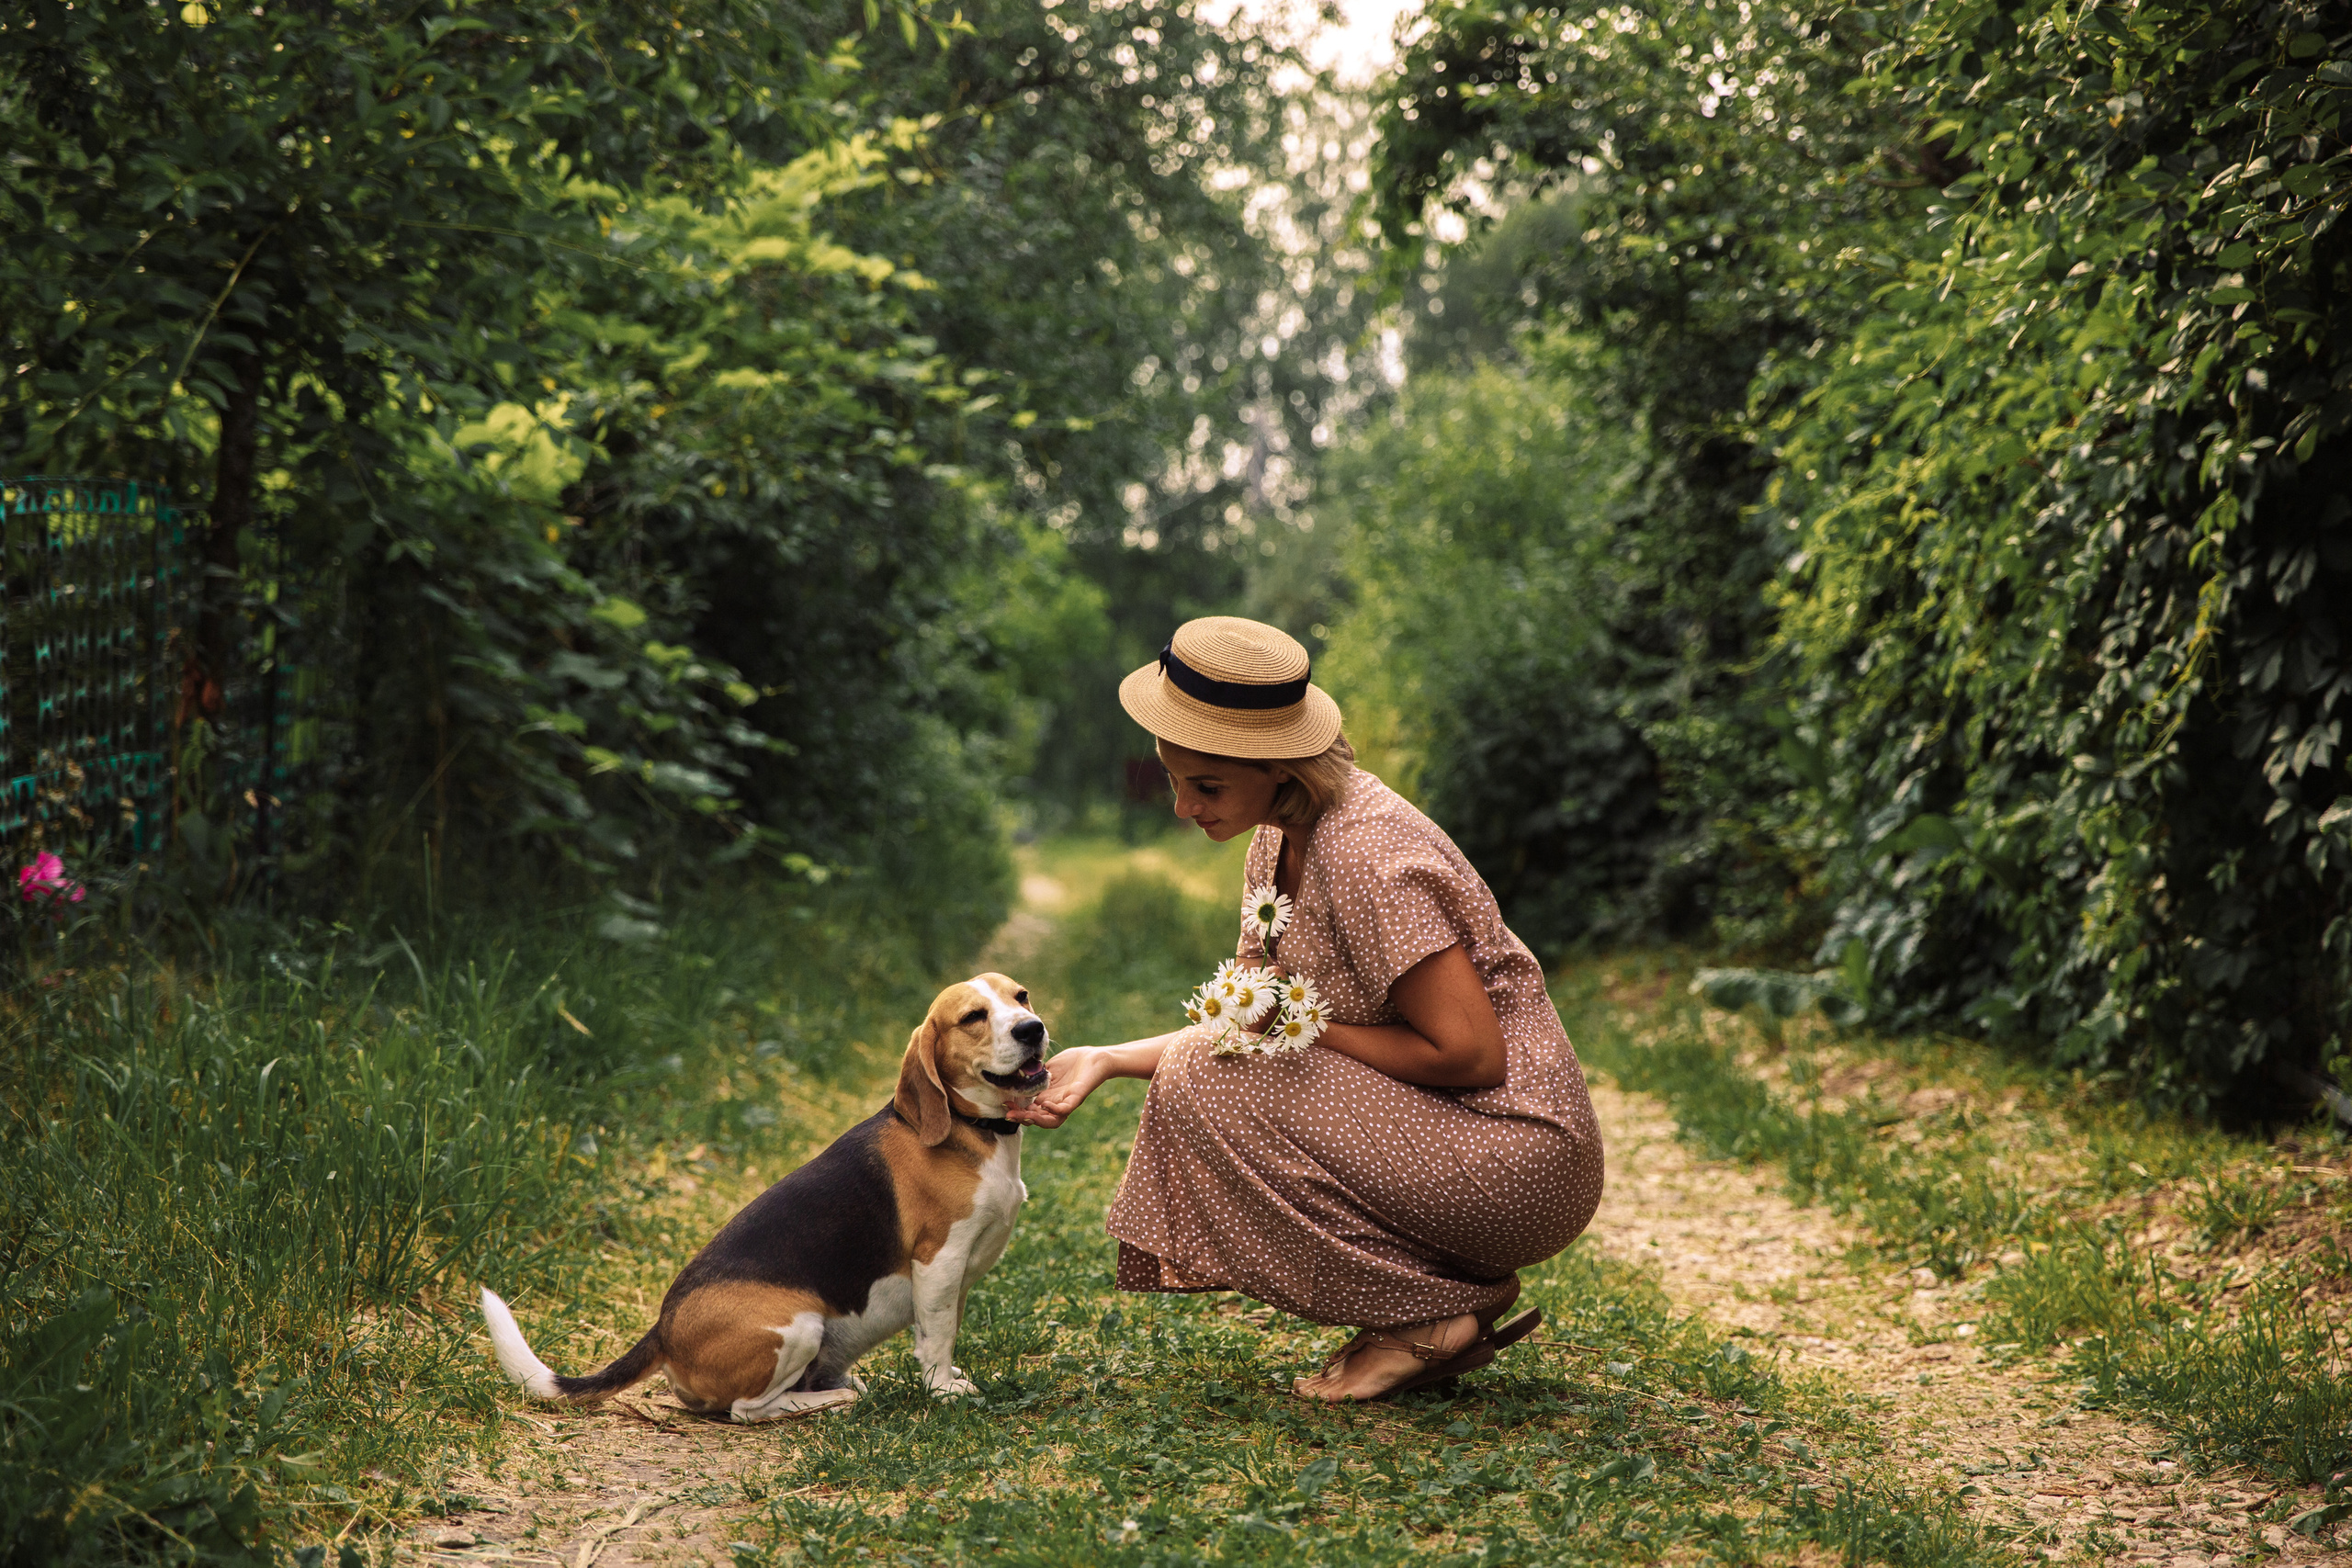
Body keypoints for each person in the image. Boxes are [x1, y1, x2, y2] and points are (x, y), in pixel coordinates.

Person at [1009, 616, 1605, 1402]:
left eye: (1208, 785)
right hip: (1451, 1134)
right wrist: (1111, 1058)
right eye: (1173, 776)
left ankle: (1433, 1315)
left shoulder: (1366, 852)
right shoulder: (1275, 835)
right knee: (1199, 1073)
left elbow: (1472, 1055)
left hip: (1521, 1154)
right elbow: (1250, 1020)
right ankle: (1435, 1301)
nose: (1184, 806)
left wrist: (1313, 1034)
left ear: (1280, 767)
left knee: (1207, 1079)